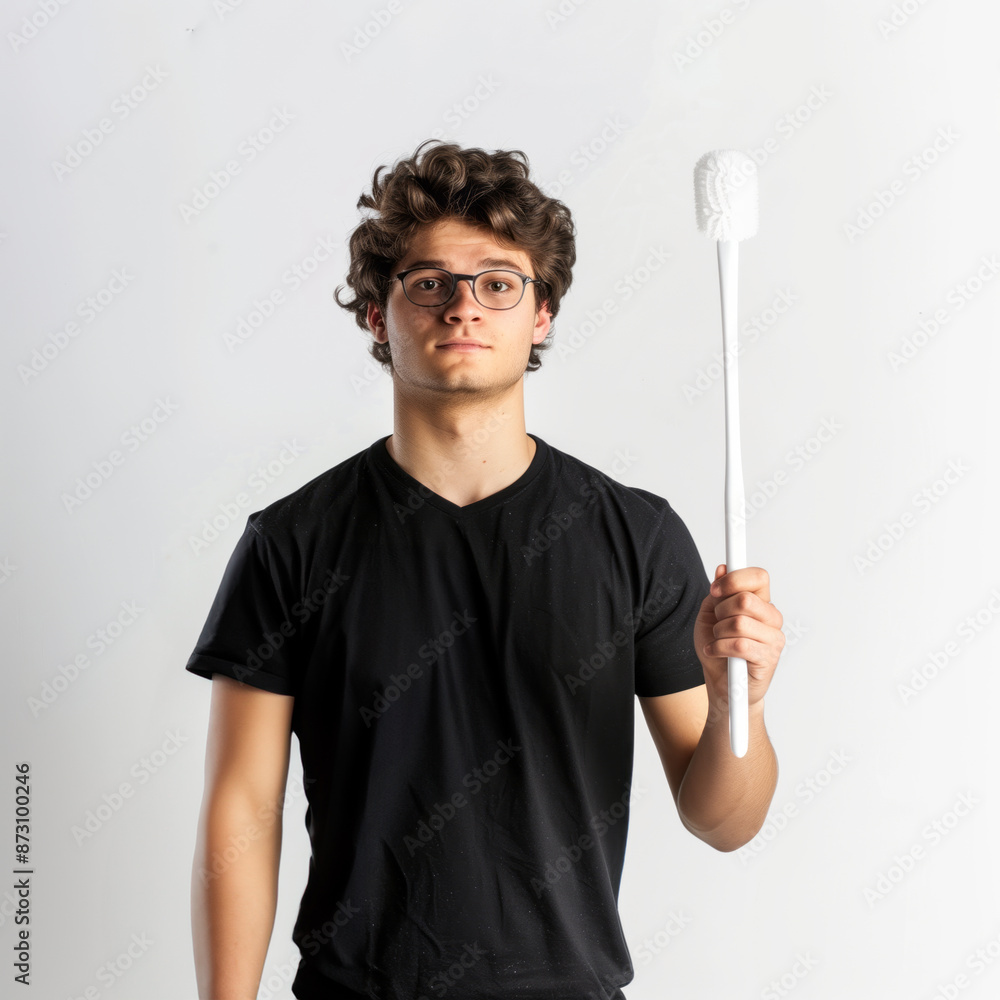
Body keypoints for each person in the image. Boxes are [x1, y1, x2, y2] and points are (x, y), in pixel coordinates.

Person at [186, 139, 786, 1000]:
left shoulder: (636, 536)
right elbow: (242, 810)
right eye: (431, 282)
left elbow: (723, 822)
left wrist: (740, 706)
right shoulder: (292, 542)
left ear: (541, 314)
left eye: (499, 283)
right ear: (377, 315)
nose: (464, 306)